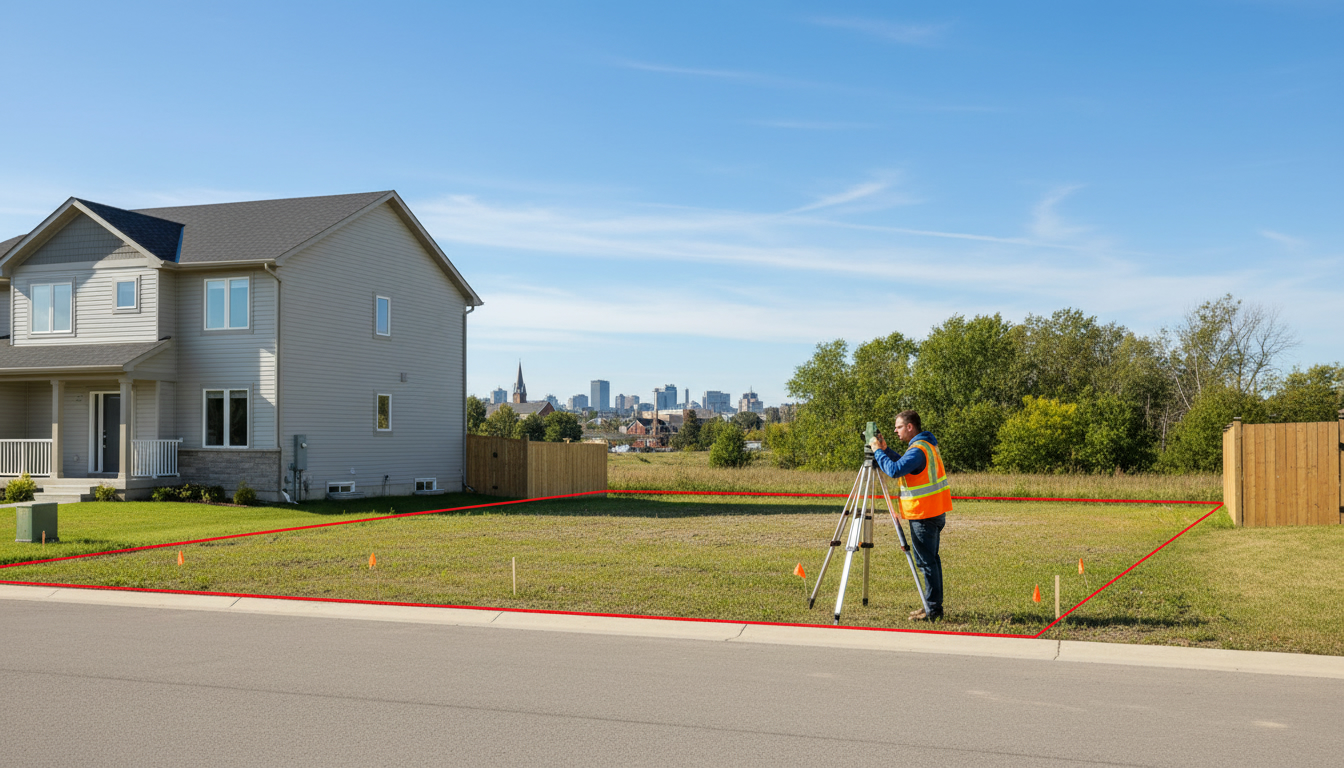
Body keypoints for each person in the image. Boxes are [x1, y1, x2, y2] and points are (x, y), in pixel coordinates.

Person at [869, 410, 952, 621]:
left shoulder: (918, 450)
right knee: (931, 561)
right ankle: (931, 605)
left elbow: (896, 471)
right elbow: (907, 467)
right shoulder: (924, 446)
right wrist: (886, 451)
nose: (895, 431)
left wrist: (877, 451)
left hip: (924, 514)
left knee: (926, 563)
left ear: (909, 427)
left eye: (898, 427)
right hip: (932, 511)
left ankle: (932, 609)